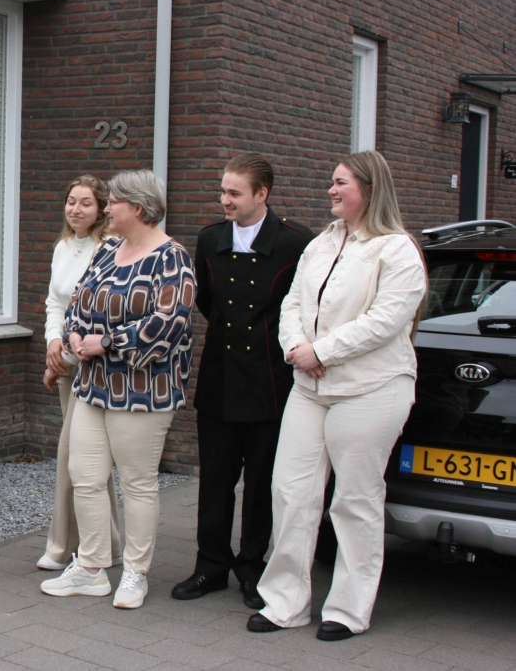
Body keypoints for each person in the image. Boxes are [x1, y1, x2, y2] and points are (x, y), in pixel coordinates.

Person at [247, 151, 426, 640]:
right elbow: (292, 303)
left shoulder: (397, 250)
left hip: (371, 389)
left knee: (355, 500)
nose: (331, 189)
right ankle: (285, 603)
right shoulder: (322, 243)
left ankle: (348, 609)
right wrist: (296, 349)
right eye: (332, 181)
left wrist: (322, 351)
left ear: (369, 188)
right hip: (310, 388)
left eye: (340, 182)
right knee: (290, 492)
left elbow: (386, 321)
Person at [40, 169, 195, 609]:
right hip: (93, 385)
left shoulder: (172, 259)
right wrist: (72, 334)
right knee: (85, 475)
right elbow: (78, 300)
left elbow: (169, 323)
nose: (106, 208)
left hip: (143, 390)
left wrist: (106, 341)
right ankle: (91, 568)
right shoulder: (109, 251)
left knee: (138, 482)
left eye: (114, 203)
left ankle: (135, 573)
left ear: (138, 209)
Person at [173, 154, 312, 609]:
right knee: (214, 479)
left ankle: (252, 568)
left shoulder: (296, 242)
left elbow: (303, 308)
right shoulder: (210, 238)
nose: (224, 200)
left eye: (234, 192)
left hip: (270, 381)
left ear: (261, 194)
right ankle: (210, 566)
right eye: (223, 191)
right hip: (219, 376)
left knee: (261, 484)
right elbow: (208, 303)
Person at [38, 175, 124, 572]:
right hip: (65, 362)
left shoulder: (111, 248)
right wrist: (52, 343)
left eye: (85, 203)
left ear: (102, 208)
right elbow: (56, 303)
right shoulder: (63, 246)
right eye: (71, 201)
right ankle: (109, 543)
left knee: (72, 456)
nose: (75, 209)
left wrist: (65, 358)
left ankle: (62, 546)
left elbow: (96, 313)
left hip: (94, 366)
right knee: (88, 461)